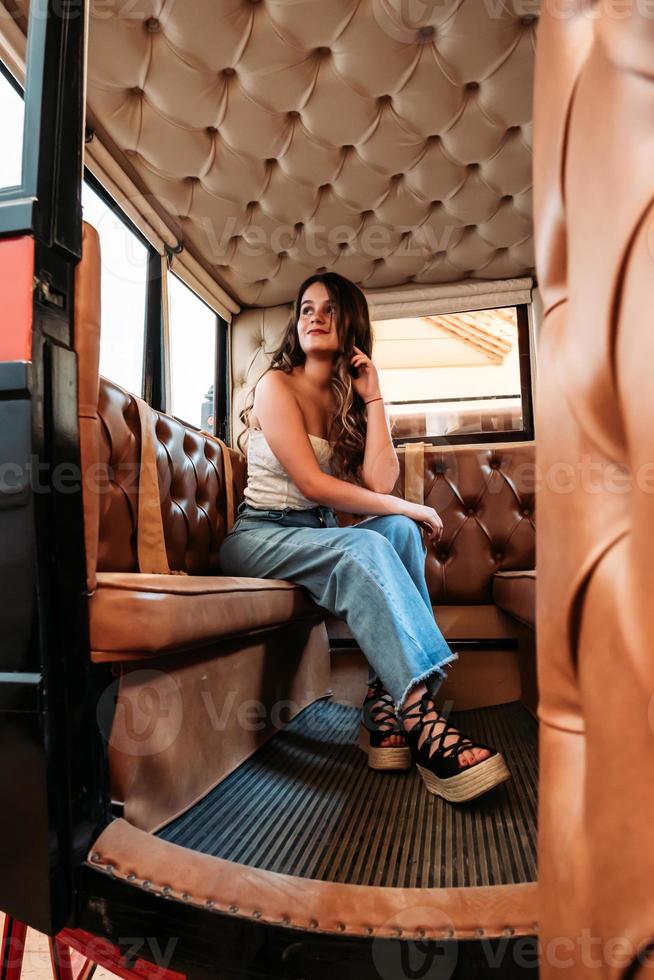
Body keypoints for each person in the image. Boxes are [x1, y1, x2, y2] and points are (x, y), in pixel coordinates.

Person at [218, 272, 511, 804]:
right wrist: (404, 503)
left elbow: (379, 482)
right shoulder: (274, 385)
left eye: (329, 309)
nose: (314, 316)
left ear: (351, 322)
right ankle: (420, 717)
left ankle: (382, 702)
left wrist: (373, 399)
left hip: (319, 537)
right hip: (260, 535)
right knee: (374, 537)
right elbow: (311, 484)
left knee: (396, 531)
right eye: (306, 308)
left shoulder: (348, 399)